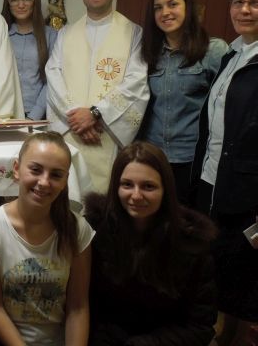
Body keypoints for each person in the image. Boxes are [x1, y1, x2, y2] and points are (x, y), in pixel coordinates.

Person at [84, 141, 217, 345]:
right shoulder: (95, 231)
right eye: (127, 185)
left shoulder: (191, 243)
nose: (136, 196)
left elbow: (200, 326)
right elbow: (85, 305)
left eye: (148, 186)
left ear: (166, 190)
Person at [0, 131, 93, 345]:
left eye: (56, 175)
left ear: (65, 180)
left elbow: (78, 308)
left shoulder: (77, 230)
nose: (44, 182)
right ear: (17, 169)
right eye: (36, 170)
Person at [191, 0, 258, 346]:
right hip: (214, 183)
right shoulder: (232, 54)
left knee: (242, 288)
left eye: (255, 3)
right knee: (220, 279)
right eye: (239, 2)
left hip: (247, 195)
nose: (245, 10)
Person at [46, 0, 149, 193]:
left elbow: (136, 82)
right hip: (70, 134)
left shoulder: (134, 33)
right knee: (64, 199)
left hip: (107, 134)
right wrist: (77, 119)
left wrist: (96, 114)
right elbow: (53, 76)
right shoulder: (65, 34)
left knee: (102, 203)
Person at [137, 0, 227, 204]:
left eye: (173, 4)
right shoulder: (147, 53)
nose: (165, 12)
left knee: (186, 220)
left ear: (188, 8)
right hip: (153, 156)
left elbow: (226, 106)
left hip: (192, 158)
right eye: (158, 8)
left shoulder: (213, 50)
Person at [1, 0, 57, 120]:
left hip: (39, 117)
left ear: (34, 1)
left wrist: (33, 117)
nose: (21, 5)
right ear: (8, 3)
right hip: (3, 116)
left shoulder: (51, 35)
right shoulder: (0, 34)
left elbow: (52, 80)